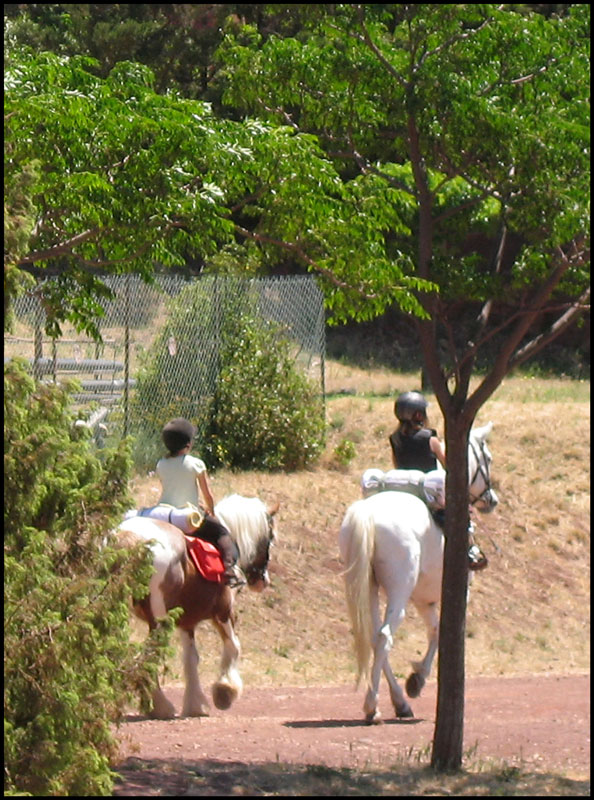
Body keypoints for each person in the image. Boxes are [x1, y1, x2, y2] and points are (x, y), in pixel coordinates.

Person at [388, 391, 488, 571]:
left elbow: (396, 464)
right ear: (418, 415)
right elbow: (448, 464)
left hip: (405, 487)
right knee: (460, 515)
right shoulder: (429, 438)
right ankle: (469, 551)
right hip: (428, 489)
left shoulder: (395, 439)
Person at [156, 417, 243, 586]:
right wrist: (211, 511)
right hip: (187, 516)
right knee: (222, 534)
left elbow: (172, 488)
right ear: (188, 444)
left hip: (164, 513)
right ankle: (229, 569)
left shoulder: (161, 464)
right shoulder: (196, 464)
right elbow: (208, 496)